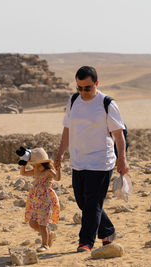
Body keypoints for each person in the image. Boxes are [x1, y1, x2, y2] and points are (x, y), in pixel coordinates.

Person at [54, 66, 129, 252]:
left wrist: (123, 159)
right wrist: (60, 153)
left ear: (96, 84)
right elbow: (67, 129)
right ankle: (108, 230)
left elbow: (119, 134)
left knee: (93, 204)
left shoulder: (107, 103)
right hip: (79, 161)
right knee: (83, 202)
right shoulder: (73, 101)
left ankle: (85, 242)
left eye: (87, 88)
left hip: (101, 161)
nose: (83, 92)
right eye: (79, 88)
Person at [20, 147, 61, 252]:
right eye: (34, 165)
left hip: (46, 200)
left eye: (39, 165)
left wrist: (58, 169)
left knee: (42, 224)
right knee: (33, 223)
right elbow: (23, 173)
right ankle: (49, 235)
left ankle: (45, 245)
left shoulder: (48, 171)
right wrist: (23, 162)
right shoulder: (35, 171)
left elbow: (57, 178)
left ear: (45, 164)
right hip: (35, 200)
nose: (36, 168)